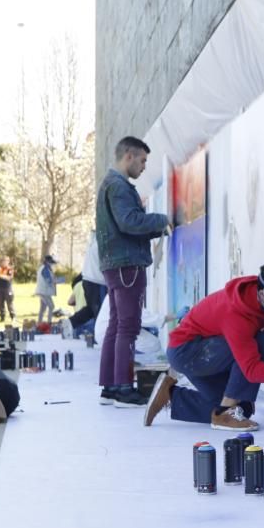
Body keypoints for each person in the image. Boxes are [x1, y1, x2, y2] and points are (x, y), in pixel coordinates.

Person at [143, 262, 264, 430]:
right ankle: (225, 413)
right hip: (187, 352)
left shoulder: (255, 295)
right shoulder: (237, 316)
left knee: (243, 410)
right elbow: (252, 370)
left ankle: (170, 394)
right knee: (259, 343)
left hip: (205, 349)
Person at [96, 136, 171, 408]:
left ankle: (110, 387)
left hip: (116, 264)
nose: (143, 167)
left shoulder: (111, 185)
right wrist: (164, 220)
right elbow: (129, 222)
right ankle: (124, 389)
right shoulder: (118, 187)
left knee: (117, 326)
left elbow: (126, 224)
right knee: (128, 326)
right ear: (129, 156)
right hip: (126, 265)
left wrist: (157, 227)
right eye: (142, 160)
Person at [34, 254, 57, 324]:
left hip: (42, 291)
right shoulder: (45, 269)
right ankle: (49, 323)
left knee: (43, 308)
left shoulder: (43, 268)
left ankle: (39, 323)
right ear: (47, 262)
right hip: (44, 292)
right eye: (51, 262)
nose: (52, 264)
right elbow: (49, 281)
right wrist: (59, 280)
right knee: (51, 306)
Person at [0, 257, 14, 322]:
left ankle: (12, 316)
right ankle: (2, 317)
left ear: (8, 262)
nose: (4, 263)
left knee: (9, 303)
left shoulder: (9, 269)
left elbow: (9, 278)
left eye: (5, 261)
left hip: (7, 288)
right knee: (0, 303)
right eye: (2, 261)